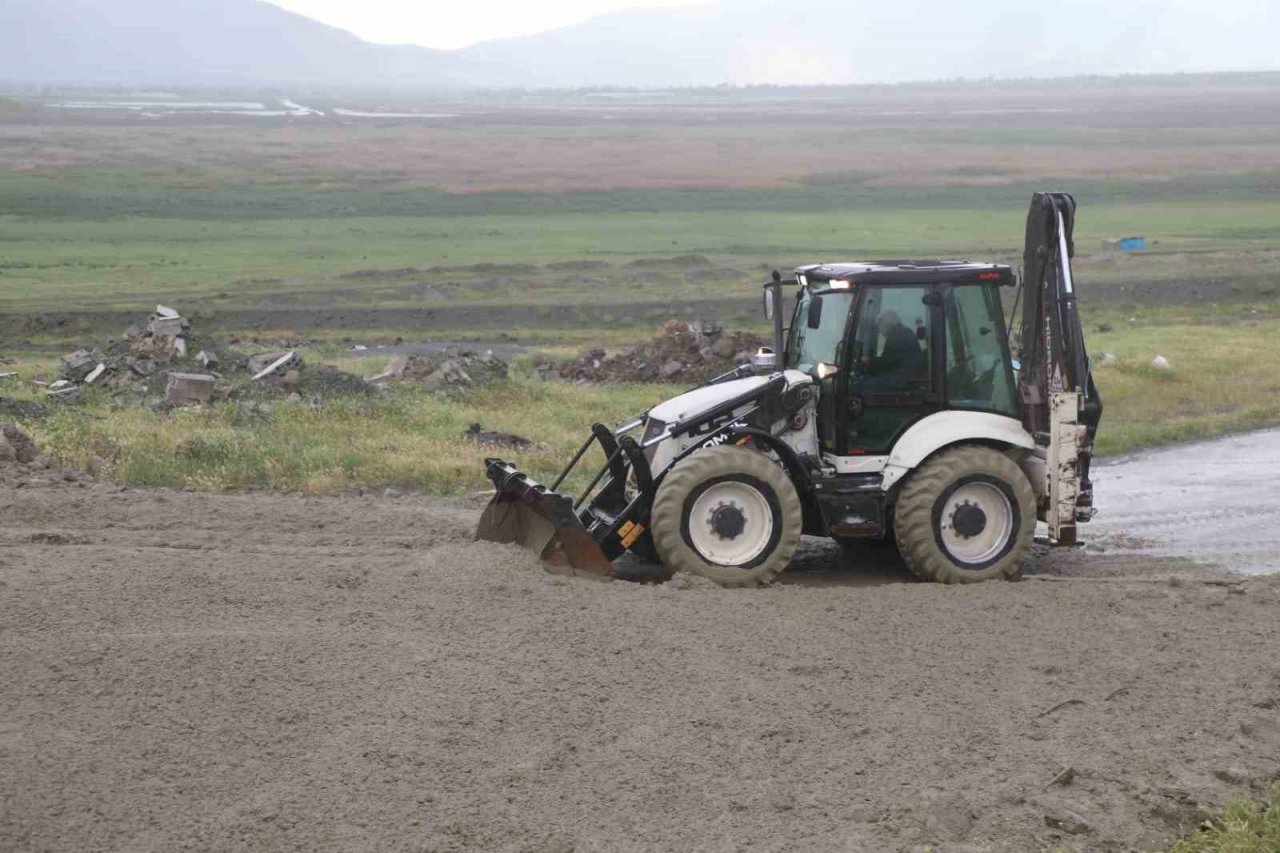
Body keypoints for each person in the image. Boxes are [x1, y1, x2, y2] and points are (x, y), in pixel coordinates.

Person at [858, 311, 924, 393]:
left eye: (880, 325)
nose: (879, 330)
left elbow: (886, 363)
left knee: (864, 384)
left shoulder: (896, 336)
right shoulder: (904, 332)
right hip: (907, 375)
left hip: (902, 378)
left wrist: (868, 362)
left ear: (887, 323)